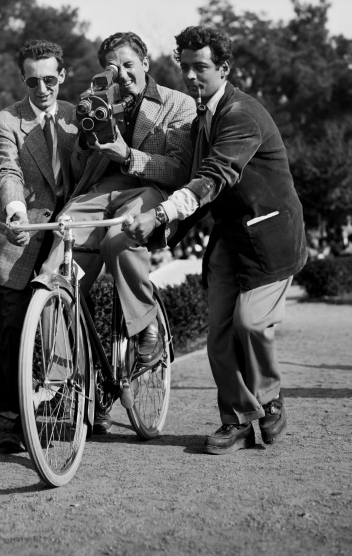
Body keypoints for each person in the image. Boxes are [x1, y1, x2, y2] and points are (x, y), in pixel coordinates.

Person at [124, 26, 307, 454]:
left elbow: (214, 178)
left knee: (250, 323)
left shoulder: (242, 114)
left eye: (200, 67)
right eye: (184, 67)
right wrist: (161, 232)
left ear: (223, 68)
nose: (190, 76)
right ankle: (237, 420)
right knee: (220, 336)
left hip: (271, 239)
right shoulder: (202, 116)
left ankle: (270, 398)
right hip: (229, 240)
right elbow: (200, 189)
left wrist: (160, 213)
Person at [38, 31, 196, 434]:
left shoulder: (179, 105)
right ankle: (61, 380)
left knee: (120, 238)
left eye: (128, 65)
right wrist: (86, 136)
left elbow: (181, 170)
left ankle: (147, 331)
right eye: (112, 68)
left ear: (145, 62)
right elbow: (79, 173)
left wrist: (128, 155)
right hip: (100, 194)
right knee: (64, 241)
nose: (122, 74)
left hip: (150, 193)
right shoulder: (99, 101)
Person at [0, 39, 79, 452]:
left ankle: (72, 410)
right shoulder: (5, 121)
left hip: (67, 239)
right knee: (15, 333)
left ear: (62, 76)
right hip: (18, 239)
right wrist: (16, 212)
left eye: (49, 79)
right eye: (31, 80)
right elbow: (7, 169)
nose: (41, 89)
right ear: (23, 79)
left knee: (66, 329)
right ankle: (13, 421)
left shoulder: (82, 117)